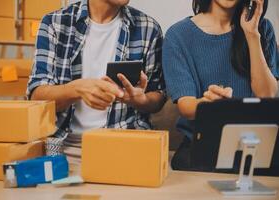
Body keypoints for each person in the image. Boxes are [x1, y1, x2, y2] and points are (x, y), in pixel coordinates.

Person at [27, 0, 166, 162]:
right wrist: (76, 89)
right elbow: (36, 97)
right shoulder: (54, 23)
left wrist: (141, 100)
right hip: (64, 147)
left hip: (125, 146)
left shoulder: (149, 28)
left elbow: (158, 97)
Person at [162, 0, 278, 170]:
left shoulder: (261, 28)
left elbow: (267, 95)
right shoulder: (178, 35)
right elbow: (186, 106)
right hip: (202, 144)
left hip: (255, 143)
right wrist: (209, 104)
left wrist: (252, 34)